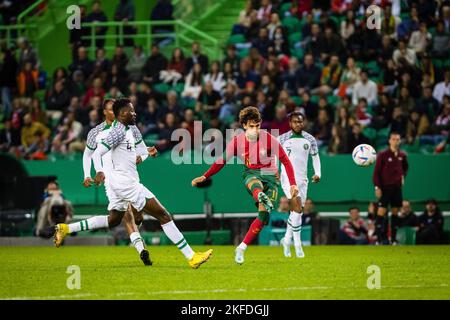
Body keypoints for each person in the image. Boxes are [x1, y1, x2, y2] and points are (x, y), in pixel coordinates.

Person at [54, 98, 212, 269]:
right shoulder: (117, 132)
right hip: (125, 183)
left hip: (117, 183)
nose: (134, 113)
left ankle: (66, 229)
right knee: (163, 215)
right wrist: (98, 171)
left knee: (114, 220)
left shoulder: (129, 129)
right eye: (131, 111)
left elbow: (141, 150)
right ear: (121, 114)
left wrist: (147, 152)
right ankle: (191, 256)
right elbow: (96, 153)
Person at [191, 106, 298, 264]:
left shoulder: (268, 139)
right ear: (244, 126)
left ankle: (241, 247)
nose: (255, 129)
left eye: (258, 125)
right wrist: (205, 175)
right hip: (251, 173)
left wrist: (293, 184)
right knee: (254, 184)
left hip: (270, 177)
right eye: (251, 126)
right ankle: (260, 195)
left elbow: (286, 161)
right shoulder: (237, 142)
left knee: (263, 216)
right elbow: (221, 161)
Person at [82, 99, 154, 265]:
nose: (115, 112)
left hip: (131, 175)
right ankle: (141, 248)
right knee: (127, 216)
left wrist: (142, 157)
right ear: (105, 112)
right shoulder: (96, 132)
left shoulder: (130, 128)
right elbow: (89, 154)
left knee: (135, 216)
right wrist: (88, 174)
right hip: (111, 179)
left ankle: (139, 244)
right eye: (111, 110)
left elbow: (142, 150)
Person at [278, 111, 321, 258]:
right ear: (290, 123)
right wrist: (275, 172)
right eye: (295, 121)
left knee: (297, 212)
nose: (298, 124)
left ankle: (286, 240)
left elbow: (315, 157)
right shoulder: (282, 138)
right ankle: (298, 245)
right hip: (287, 179)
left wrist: (318, 173)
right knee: (296, 208)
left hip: (303, 180)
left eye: (300, 121)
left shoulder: (310, 139)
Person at [373, 132, 409, 244]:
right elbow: (376, 172)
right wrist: (377, 187)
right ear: (389, 141)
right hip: (385, 188)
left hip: (397, 188)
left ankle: (393, 239)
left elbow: (405, 168)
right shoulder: (383, 154)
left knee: (395, 212)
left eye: (397, 139)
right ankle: (379, 239)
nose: (395, 141)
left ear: (400, 141)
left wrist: (402, 176)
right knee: (381, 212)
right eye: (393, 139)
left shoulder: (402, 155)